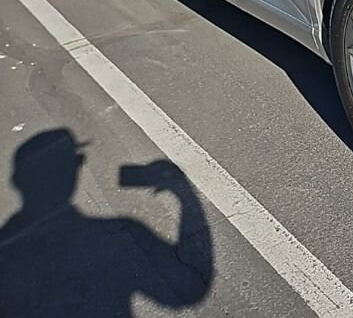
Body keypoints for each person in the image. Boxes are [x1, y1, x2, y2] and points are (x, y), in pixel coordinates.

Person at [0, 129, 212, 317]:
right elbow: (190, 291)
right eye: (78, 159)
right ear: (73, 170)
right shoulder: (118, 235)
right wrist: (184, 194)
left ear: (18, 182)